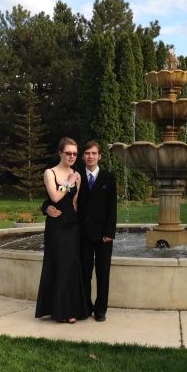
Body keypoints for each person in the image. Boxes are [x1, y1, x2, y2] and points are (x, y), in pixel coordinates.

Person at [46, 141, 117, 322]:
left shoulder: (109, 178)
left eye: (94, 153)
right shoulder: (76, 176)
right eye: (87, 153)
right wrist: (46, 206)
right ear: (83, 156)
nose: (90, 156)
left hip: (103, 235)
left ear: (100, 156)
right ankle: (85, 307)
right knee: (83, 273)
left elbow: (112, 208)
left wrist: (110, 231)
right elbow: (62, 200)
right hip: (82, 234)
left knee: (103, 273)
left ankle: (100, 309)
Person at [34, 138, 88, 323]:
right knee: (58, 265)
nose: (72, 156)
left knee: (71, 267)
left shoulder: (78, 175)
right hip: (56, 227)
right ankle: (57, 310)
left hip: (72, 226)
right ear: (60, 153)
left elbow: (74, 204)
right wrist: (69, 183)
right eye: (68, 153)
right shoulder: (50, 172)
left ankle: (71, 309)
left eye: (75, 153)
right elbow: (55, 197)